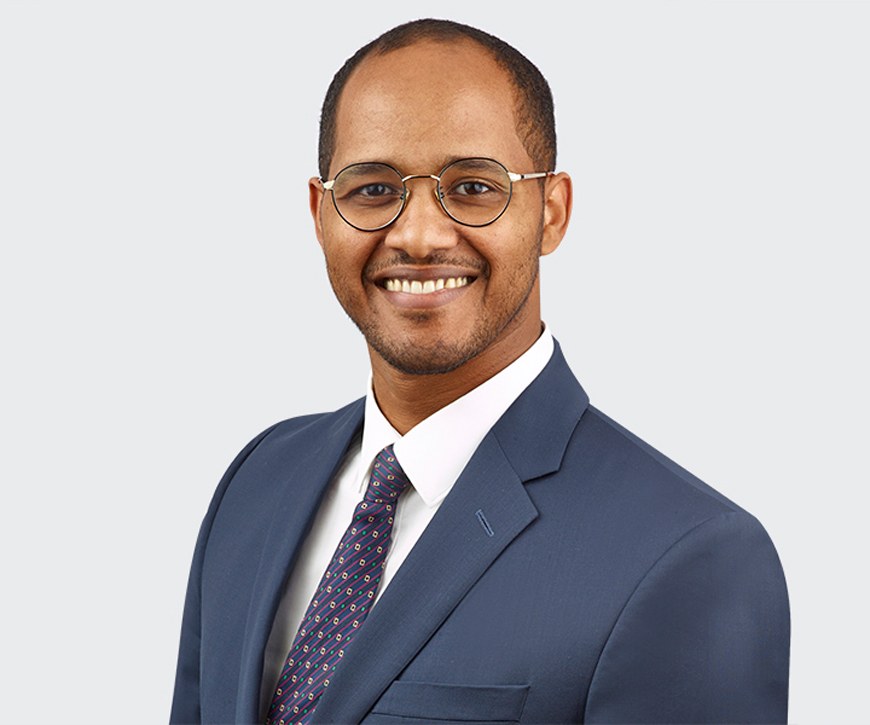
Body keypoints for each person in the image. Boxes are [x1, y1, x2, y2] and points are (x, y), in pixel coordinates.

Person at [170, 18, 790, 725]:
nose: (418, 236)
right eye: (373, 189)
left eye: (471, 186)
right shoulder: (257, 482)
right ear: (321, 214)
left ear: (551, 212)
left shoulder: (689, 557)